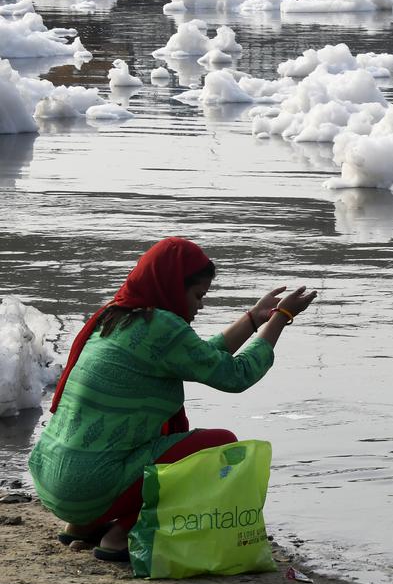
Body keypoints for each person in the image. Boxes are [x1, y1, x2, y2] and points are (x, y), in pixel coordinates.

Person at [27, 236, 317, 562]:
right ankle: (121, 534)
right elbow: (236, 376)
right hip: (88, 484)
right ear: (172, 287)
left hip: (51, 478)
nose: (200, 305)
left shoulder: (117, 316)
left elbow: (200, 357)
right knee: (219, 445)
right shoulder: (159, 325)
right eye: (198, 296)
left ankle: (82, 524)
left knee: (129, 444)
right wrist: (281, 318)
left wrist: (254, 318)